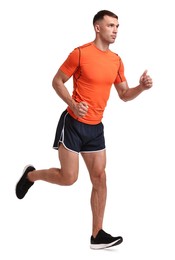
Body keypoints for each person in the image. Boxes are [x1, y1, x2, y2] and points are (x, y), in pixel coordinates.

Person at [16, 10, 153, 249]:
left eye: (118, 26)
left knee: (100, 178)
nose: (115, 30)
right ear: (97, 28)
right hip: (73, 125)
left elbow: (123, 94)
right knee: (69, 178)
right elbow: (57, 81)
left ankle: (97, 235)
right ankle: (31, 175)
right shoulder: (80, 53)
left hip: (95, 128)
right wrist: (72, 104)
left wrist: (140, 87)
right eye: (111, 25)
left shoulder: (116, 60)